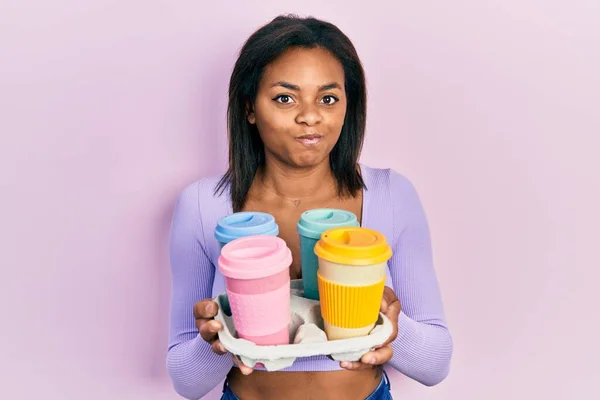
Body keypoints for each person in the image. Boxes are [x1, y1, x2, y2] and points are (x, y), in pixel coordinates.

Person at [166, 14, 453, 400]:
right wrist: (223, 334)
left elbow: (435, 364)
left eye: (328, 98)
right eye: (285, 98)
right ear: (250, 108)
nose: (310, 116)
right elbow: (185, 382)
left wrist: (376, 318)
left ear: (348, 106)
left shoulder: (390, 196)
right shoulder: (204, 205)